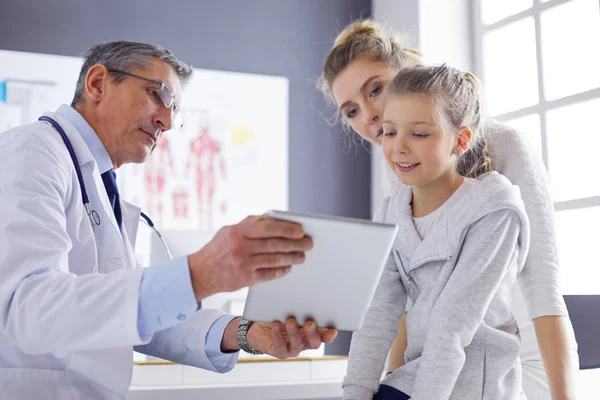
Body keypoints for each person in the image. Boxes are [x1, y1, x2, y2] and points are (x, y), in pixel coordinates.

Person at [0, 41, 337, 399]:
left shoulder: (100, 185)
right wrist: (200, 273)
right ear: (98, 84)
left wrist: (245, 332)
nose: (167, 121)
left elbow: (137, 316)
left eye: (174, 108)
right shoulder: (31, 153)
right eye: (156, 94)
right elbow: (28, 309)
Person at [319, 20, 578, 399]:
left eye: (375, 90)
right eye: (351, 111)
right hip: (437, 363)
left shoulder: (504, 157)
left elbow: (542, 289)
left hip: (513, 360)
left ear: (410, 73)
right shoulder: (400, 178)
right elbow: (397, 302)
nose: (369, 115)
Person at [346, 61, 533, 399]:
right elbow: (377, 315)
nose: (399, 147)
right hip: (415, 378)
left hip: (478, 387)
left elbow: (452, 324)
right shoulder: (392, 212)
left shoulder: (493, 208)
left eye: (418, 134)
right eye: (390, 132)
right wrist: (355, 394)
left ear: (460, 140)